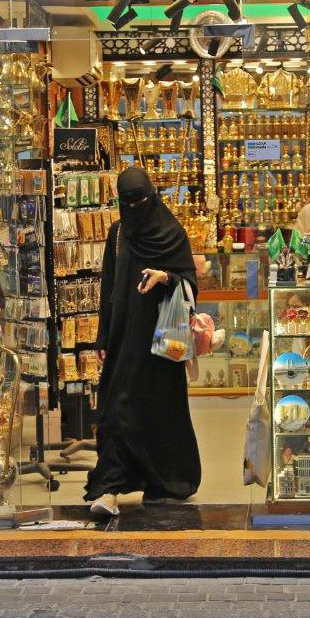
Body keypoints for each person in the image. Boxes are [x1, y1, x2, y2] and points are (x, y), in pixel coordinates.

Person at [85, 167, 200, 517]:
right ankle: (110, 487)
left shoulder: (172, 233)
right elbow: (108, 288)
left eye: (141, 201)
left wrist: (165, 276)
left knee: (157, 411)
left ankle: (161, 480)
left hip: (161, 342)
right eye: (129, 202)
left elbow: (190, 282)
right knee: (116, 409)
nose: (135, 207)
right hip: (123, 338)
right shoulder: (118, 234)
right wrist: (103, 335)